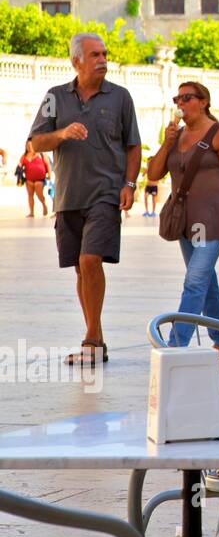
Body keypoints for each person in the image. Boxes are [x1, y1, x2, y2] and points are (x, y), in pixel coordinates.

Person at [28, 33, 141, 367]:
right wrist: (62, 133)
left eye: (105, 53)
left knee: (91, 260)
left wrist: (130, 184)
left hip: (105, 195)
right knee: (80, 268)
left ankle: (91, 339)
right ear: (76, 60)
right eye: (95, 54)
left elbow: (133, 146)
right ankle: (97, 335)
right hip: (67, 197)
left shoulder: (121, 98)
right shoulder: (54, 98)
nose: (102, 59)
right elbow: (36, 143)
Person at [148, 81, 219, 353]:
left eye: (186, 98)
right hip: (185, 221)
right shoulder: (177, 136)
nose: (180, 104)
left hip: (214, 219)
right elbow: (153, 173)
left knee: (195, 281)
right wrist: (167, 142)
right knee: (206, 283)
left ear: (203, 101)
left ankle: (175, 346)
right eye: (177, 99)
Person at [19, 141, 51, 217]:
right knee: (30, 195)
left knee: (39, 194)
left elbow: (48, 164)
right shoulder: (24, 155)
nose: (29, 147)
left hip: (40, 179)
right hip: (28, 179)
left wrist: (49, 174)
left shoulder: (41, 154)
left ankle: (44, 205)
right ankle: (31, 212)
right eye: (27, 146)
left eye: (30, 145)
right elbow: (20, 166)